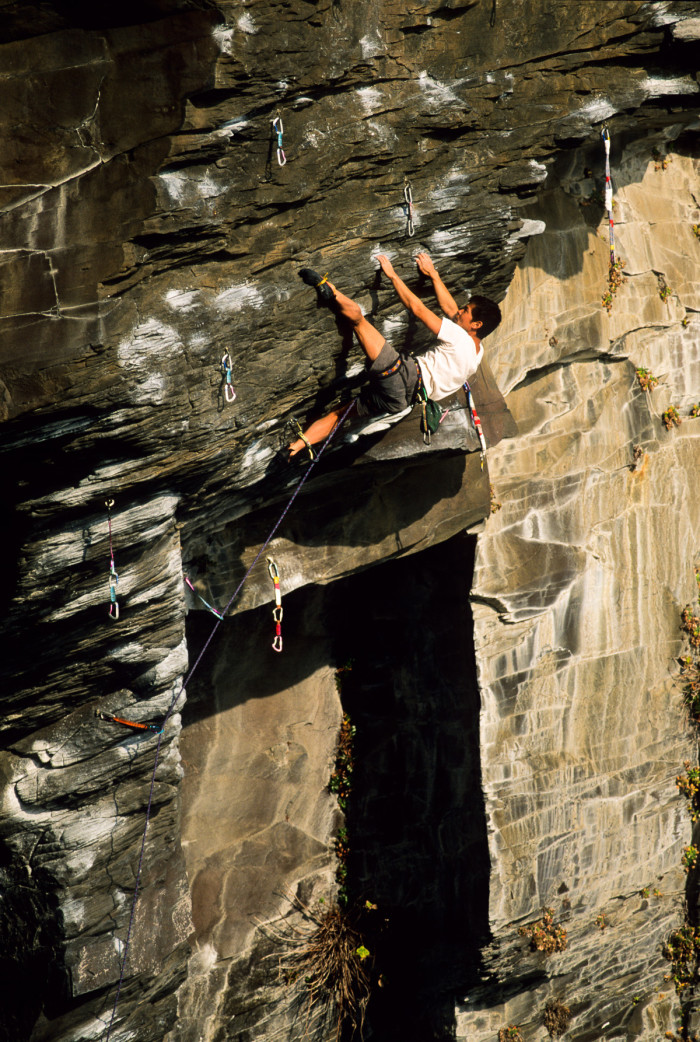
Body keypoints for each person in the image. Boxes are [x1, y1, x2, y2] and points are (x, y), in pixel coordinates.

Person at [287, 252, 502, 457]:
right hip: (399, 402)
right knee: (341, 414)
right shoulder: (476, 357)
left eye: (465, 310)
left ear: (476, 324)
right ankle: (296, 447)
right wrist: (434, 276)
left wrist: (392, 275)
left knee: (358, 321)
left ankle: (330, 290)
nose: (459, 311)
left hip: (401, 375)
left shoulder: (457, 337)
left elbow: (416, 307)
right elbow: (452, 310)